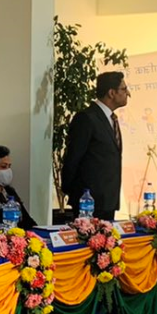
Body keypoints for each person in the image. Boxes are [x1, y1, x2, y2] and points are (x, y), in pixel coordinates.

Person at [60, 71, 129, 219]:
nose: (128, 93)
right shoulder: (87, 118)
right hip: (88, 201)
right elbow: (73, 157)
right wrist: (72, 191)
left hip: (108, 201)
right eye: (124, 89)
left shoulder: (111, 119)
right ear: (111, 93)